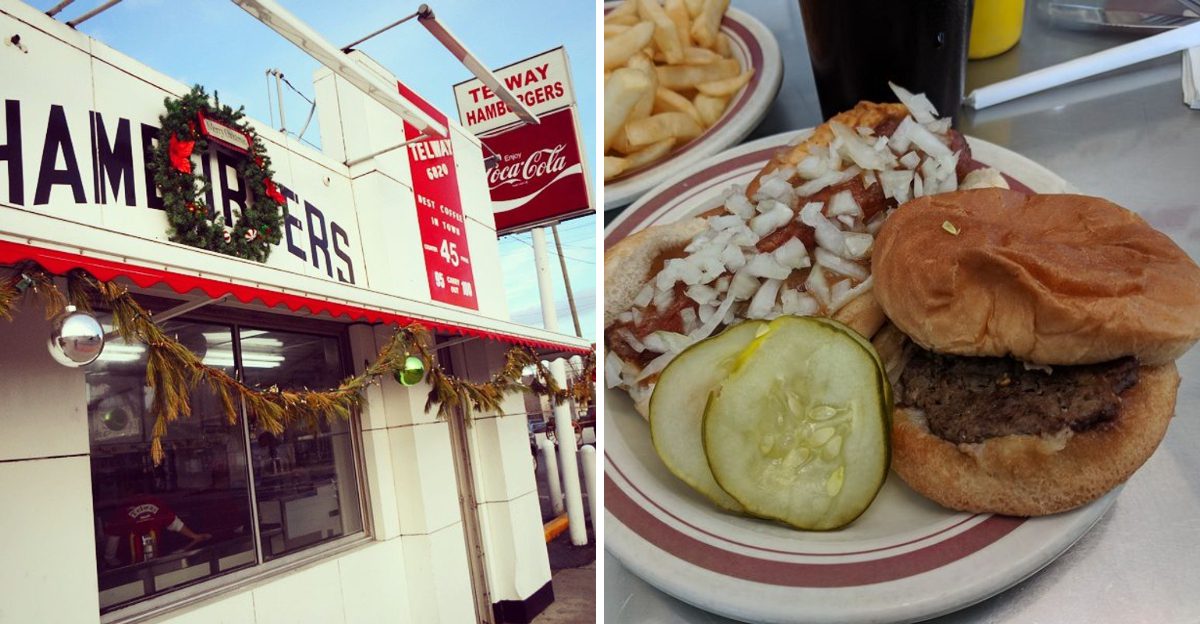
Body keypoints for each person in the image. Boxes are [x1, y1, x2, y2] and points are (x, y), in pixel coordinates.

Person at [102, 493, 211, 568]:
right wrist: (194, 536)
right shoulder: (154, 502)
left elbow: (112, 542)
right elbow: (175, 523)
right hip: (141, 563)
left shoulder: (123, 507)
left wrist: (112, 562)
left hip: (139, 565)